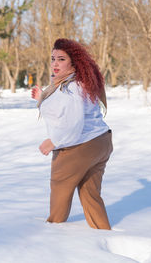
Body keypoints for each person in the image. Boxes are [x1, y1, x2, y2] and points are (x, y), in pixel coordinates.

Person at [31, 38, 112, 230]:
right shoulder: (76, 83)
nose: (55, 63)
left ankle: (53, 233)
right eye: (53, 58)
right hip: (101, 142)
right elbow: (64, 109)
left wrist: (54, 141)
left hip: (78, 147)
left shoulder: (71, 88)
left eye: (61, 59)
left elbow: (73, 122)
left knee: (60, 191)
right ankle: (103, 234)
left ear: (73, 63)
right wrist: (43, 97)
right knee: (90, 194)